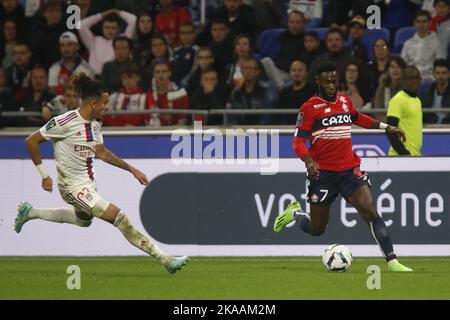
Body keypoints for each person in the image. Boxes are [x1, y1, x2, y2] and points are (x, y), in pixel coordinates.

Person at [14, 73, 189, 274]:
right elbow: (31, 141)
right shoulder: (64, 122)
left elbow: (102, 153)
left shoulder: (95, 124)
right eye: (105, 103)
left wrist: (131, 169)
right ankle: (165, 259)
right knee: (119, 217)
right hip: (71, 187)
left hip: (88, 185)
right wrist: (44, 174)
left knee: (83, 221)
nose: (107, 107)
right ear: (94, 104)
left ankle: (31, 212)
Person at [272, 61, 413, 272]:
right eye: (327, 81)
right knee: (317, 229)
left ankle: (393, 262)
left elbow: (358, 118)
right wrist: (309, 161)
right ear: (318, 81)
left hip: (349, 170)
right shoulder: (309, 108)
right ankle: (295, 214)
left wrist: (386, 127)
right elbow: (298, 142)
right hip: (324, 174)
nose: (331, 85)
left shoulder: (345, 101)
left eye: (334, 80)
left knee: (370, 211)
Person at [79, 9, 137, 75]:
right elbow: (81, 25)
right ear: (102, 28)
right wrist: (103, 14)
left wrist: (116, 11)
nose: (110, 31)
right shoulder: (94, 41)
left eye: (113, 28)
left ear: (118, 29)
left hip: (112, 76)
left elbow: (133, 20)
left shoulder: (122, 40)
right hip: (92, 77)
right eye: (107, 27)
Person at [386, 66, 423, 156]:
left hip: (415, 155)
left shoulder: (417, 100)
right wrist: (404, 154)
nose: (415, 81)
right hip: (400, 157)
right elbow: (390, 131)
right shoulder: (398, 100)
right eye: (411, 78)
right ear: (403, 80)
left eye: (417, 78)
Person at [48, 31, 94, 96]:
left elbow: (88, 93)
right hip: (59, 104)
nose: (66, 49)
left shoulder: (86, 69)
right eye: (62, 45)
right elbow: (51, 91)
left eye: (69, 45)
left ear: (77, 46)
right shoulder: (54, 67)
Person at [401, 10, 442, 80]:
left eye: (424, 21)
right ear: (414, 23)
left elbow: (440, 65)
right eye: (418, 21)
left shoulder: (438, 42)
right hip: (410, 78)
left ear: (430, 23)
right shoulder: (408, 43)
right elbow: (402, 64)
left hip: (430, 78)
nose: (420, 25)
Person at [276, 59, 316, 124]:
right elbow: (278, 114)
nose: (296, 73)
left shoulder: (313, 91)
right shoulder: (284, 92)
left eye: (300, 70)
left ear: (306, 73)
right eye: (293, 70)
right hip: (287, 129)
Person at [421, 59, 450, 124]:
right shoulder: (428, 92)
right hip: (430, 128)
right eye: (438, 73)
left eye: (444, 73)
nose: (441, 76)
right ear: (433, 74)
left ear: (449, 74)